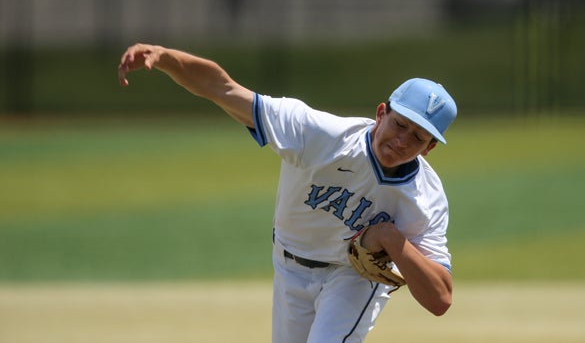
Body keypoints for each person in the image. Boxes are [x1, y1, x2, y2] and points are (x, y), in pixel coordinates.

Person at [118, 43, 457, 342]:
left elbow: (440, 298)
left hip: (351, 278)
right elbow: (221, 88)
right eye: (400, 124)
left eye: (417, 137)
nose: (402, 140)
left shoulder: (425, 198)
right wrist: (163, 57)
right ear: (381, 113)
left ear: (428, 149)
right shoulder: (320, 135)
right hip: (288, 267)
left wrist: (392, 239)